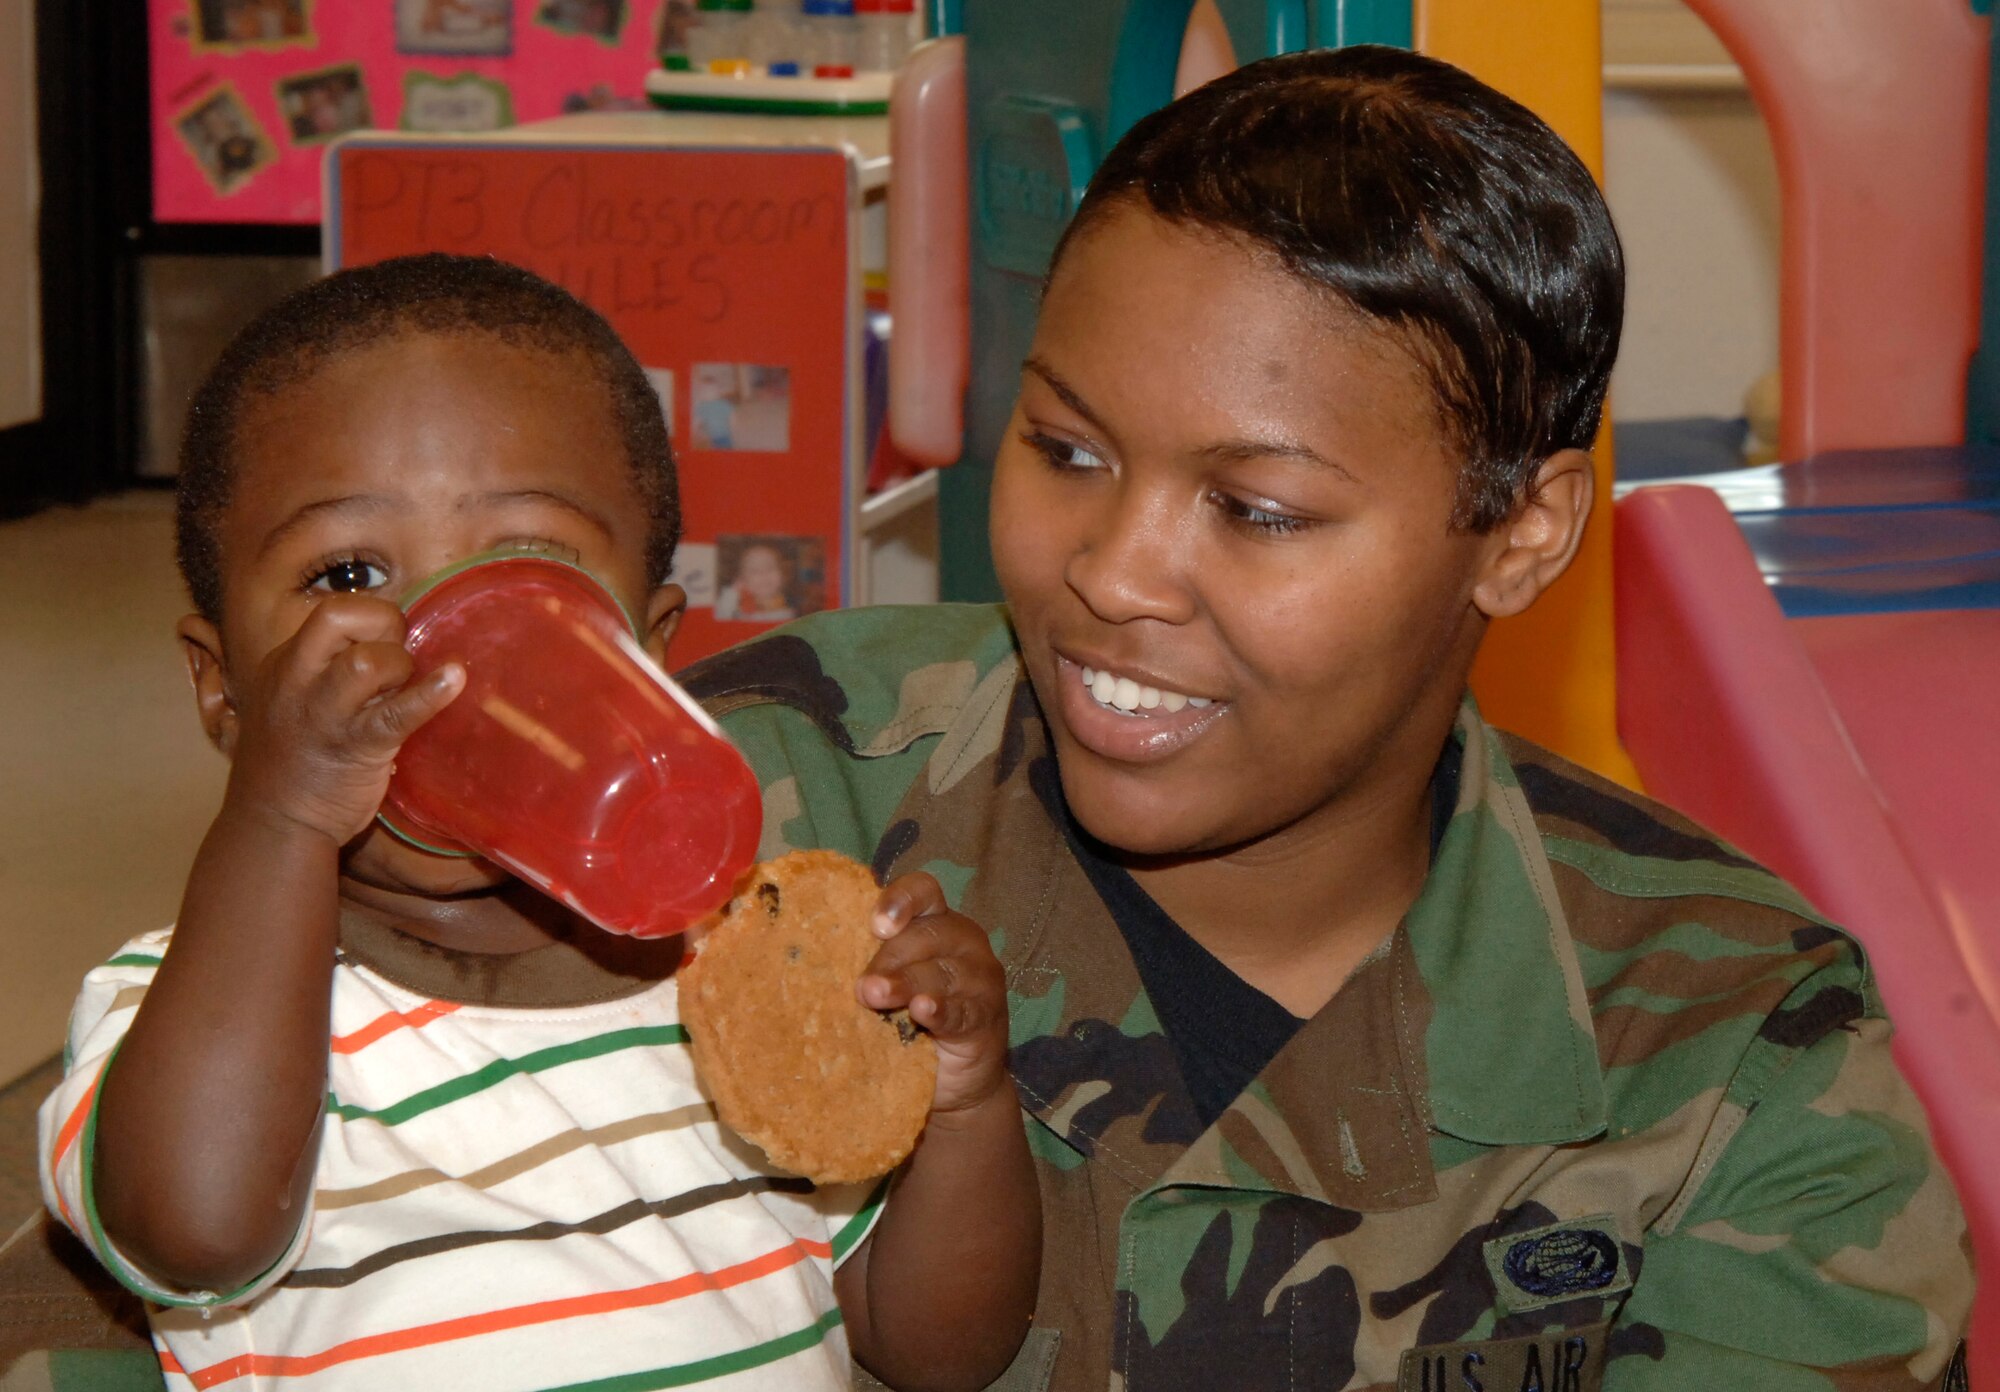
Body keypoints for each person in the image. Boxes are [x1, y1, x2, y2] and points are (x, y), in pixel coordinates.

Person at [680, 46, 1975, 1392]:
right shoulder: (758, 800)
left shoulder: (1731, 1055)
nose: (1111, 572)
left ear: (1521, 535)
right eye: (1067, 451)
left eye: (1258, 511)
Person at [37, 253, 1037, 1392]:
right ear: (225, 691)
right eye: (348, 572)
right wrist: (281, 817)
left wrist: (961, 1108)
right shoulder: (177, 1008)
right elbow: (194, 1235)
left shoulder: (749, 991)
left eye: (535, 566)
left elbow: (938, 1353)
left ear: (648, 654)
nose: (443, 650)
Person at [716, 541, 799, 623]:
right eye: (754, 570)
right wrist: (733, 592)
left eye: (770, 567)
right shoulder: (736, 606)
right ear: (743, 580)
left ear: (782, 574)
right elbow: (721, 614)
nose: (764, 573)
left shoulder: (791, 606)